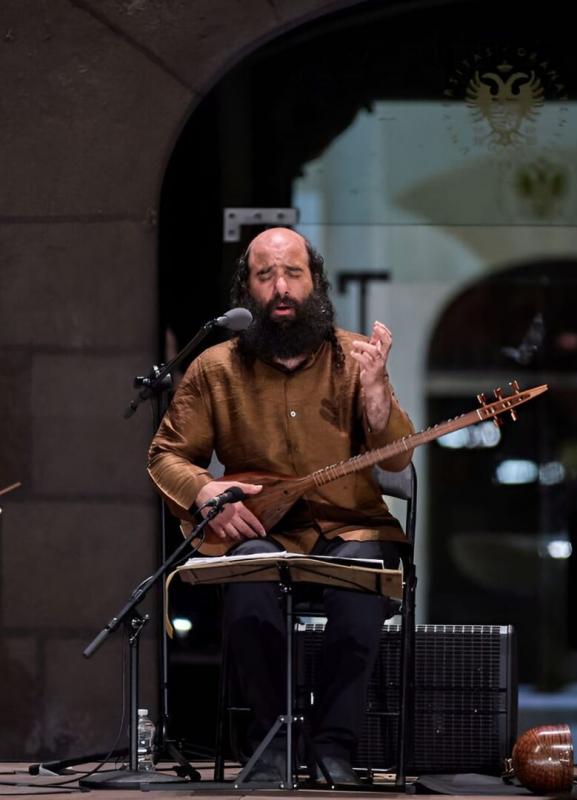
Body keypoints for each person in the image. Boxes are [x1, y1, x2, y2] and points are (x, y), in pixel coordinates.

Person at [148, 228, 414, 783]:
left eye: (293, 273)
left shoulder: (354, 358)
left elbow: (395, 462)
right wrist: (205, 493)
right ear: (246, 290)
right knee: (248, 589)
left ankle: (334, 748)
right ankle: (269, 742)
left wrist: (377, 392)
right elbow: (166, 455)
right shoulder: (216, 368)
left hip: (353, 526)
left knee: (360, 587)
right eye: (265, 276)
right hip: (262, 530)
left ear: (315, 281)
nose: (281, 288)